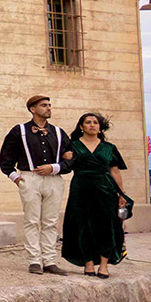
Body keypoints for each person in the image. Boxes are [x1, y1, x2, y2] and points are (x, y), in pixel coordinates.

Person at [0, 94, 75, 275]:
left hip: (54, 180)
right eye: (43, 105)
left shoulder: (58, 132)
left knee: (50, 221)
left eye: (49, 105)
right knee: (32, 220)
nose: (48, 108)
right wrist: (16, 178)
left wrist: (55, 167)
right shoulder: (19, 131)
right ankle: (34, 260)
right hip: (29, 178)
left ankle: (49, 260)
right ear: (33, 109)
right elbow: (5, 159)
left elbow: (72, 157)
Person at [60, 112, 130, 277]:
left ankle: (104, 265)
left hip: (105, 189)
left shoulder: (109, 148)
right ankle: (88, 262)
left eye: (95, 123)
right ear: (81, 126)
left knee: (105, 226)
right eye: (88, 122)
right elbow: (63, 163)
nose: (92, 125)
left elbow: (115, 171)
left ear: (100, 127)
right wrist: (64, 157)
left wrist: (122, 194)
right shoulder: (73, 146)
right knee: (83, 225)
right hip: (80, 189)